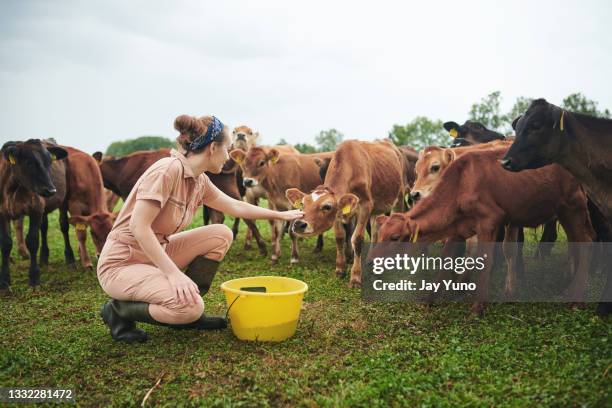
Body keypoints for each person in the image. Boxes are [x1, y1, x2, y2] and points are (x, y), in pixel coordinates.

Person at [96, 114, 303, 343]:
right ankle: (118, 311)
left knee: (221, 234)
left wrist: (280, 214)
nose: (229, 157)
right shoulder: (167, 170)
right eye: (227, 149)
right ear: (213, 148)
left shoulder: (198, 180)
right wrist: (173, 274)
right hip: (123, 262)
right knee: (190, 308)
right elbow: (139, 227)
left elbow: (234, 205)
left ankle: (186, 311)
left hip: (156, 254)